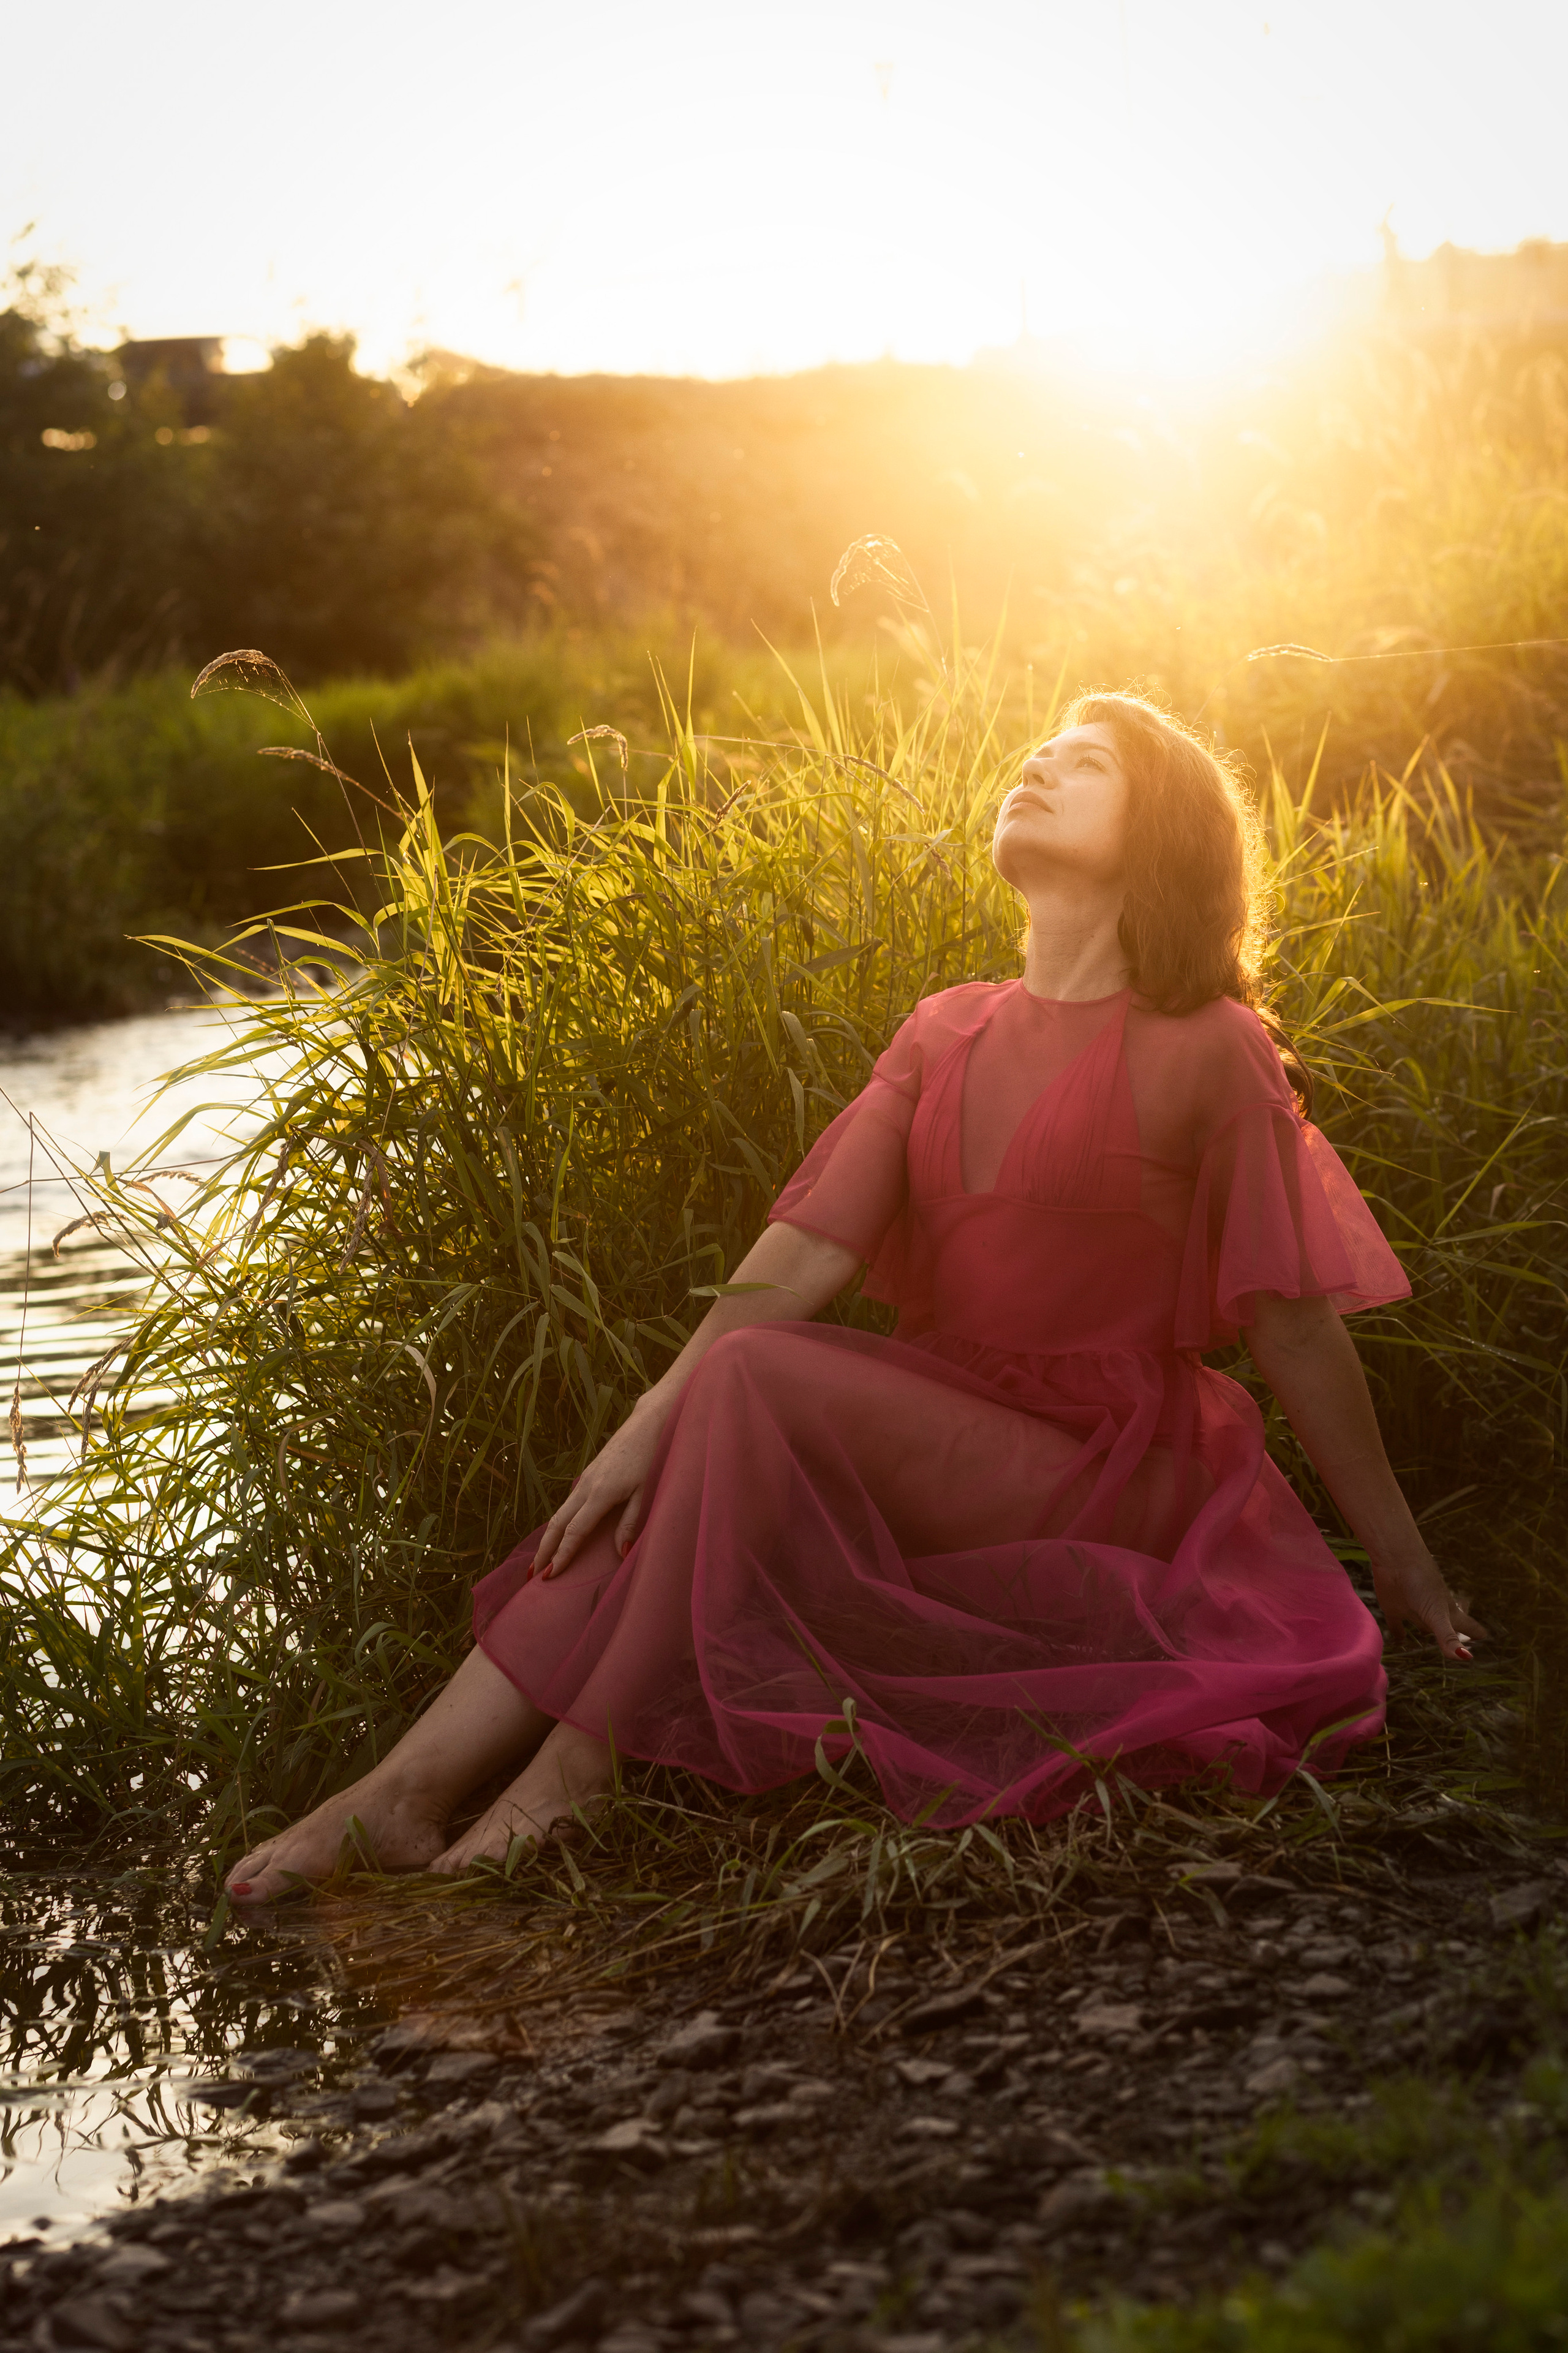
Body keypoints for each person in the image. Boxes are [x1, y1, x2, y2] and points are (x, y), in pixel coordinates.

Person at [226, 692, 1482, 1904]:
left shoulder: (1210, 1043)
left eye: (1084, 762)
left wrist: (1405, 1564)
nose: (1037, 763)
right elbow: (801, 1254)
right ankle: (398, 1788)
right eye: (1037, 748)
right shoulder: (943, 1030)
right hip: (944, 1431)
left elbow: (1293, 1323)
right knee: (689, 1435)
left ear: (1159, 836)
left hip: (1108, 1466)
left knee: (746, 1383)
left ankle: (572, 1771)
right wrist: (640, 1425)